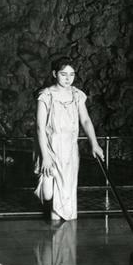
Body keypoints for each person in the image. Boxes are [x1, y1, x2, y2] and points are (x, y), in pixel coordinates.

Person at [34, 57, 104, 222]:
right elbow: (40, 127)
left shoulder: (77, 95)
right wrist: (45, 157)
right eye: (63, 74)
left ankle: (59, 230)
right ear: (54, 74)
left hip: (70, 150)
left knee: (65, 192)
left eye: (71, 74)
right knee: (48, 194)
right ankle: (46, 191)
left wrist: (94, 144)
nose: (68, 78)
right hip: (50, 147)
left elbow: (85, 120)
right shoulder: (46, 95)